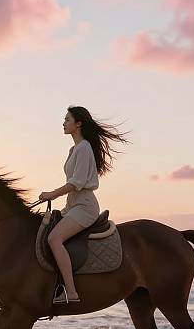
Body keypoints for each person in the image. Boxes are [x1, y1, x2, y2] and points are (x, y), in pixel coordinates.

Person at [38, 105, 131, 304]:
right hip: (73, 206)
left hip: (85, 207)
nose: (63, 123)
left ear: (78, 124)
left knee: (54, 239)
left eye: (67, 119)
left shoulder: (84, 148)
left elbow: (77, 183)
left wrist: (52, 194)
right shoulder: (74, 149)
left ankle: (70, 291)